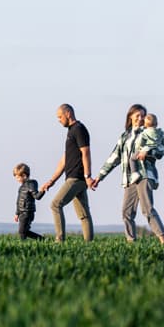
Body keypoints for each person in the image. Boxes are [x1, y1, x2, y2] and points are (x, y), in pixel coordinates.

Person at [92, 105, 164, 243]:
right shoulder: (125, 136)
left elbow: (161, 150)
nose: (140, 118)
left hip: (144, 175)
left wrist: (148, 151)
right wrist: (99, 177)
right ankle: (131, 242)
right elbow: (114, 158)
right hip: (129, 179)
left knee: (147, 209)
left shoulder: (150, 132)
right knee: (126, 212)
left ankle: (163, 240)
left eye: (143, 116)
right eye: (137, 115)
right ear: (130, 116)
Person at [40, 104, 94, 242]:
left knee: (55, 204)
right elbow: (64, 159)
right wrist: (51, 181)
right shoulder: (71, 131)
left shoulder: (79, 129)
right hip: (73, 177)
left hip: (77, 177)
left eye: (60, 116)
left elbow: (85, 152)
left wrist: (87, 176)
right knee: (83, 214)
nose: (58, 120)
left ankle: (59, 241)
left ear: (68, 113)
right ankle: (89, 244)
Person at [128, 113, 164, 187]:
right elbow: (163, 141)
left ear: (145, 124)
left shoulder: (144, 133)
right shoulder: (159, 133)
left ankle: (134, 173)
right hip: (153, 150)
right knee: (153, 165)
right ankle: (156, 179)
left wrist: (140, 148)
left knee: (132, 159)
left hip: (143, 150)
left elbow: (140, 143)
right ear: (157, 123)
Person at [13, 163, 45, 240]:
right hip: (22, 213)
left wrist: (42, 190)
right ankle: (42, 239)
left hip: (27, 212)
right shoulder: (22, 187)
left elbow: (37, 196)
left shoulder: (31, 184)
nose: (16, 179)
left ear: (24, 175)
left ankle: (24, 244)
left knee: (22, 231)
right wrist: (17, 213)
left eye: (17, 177)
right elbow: (18, 201)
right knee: (24, 231)